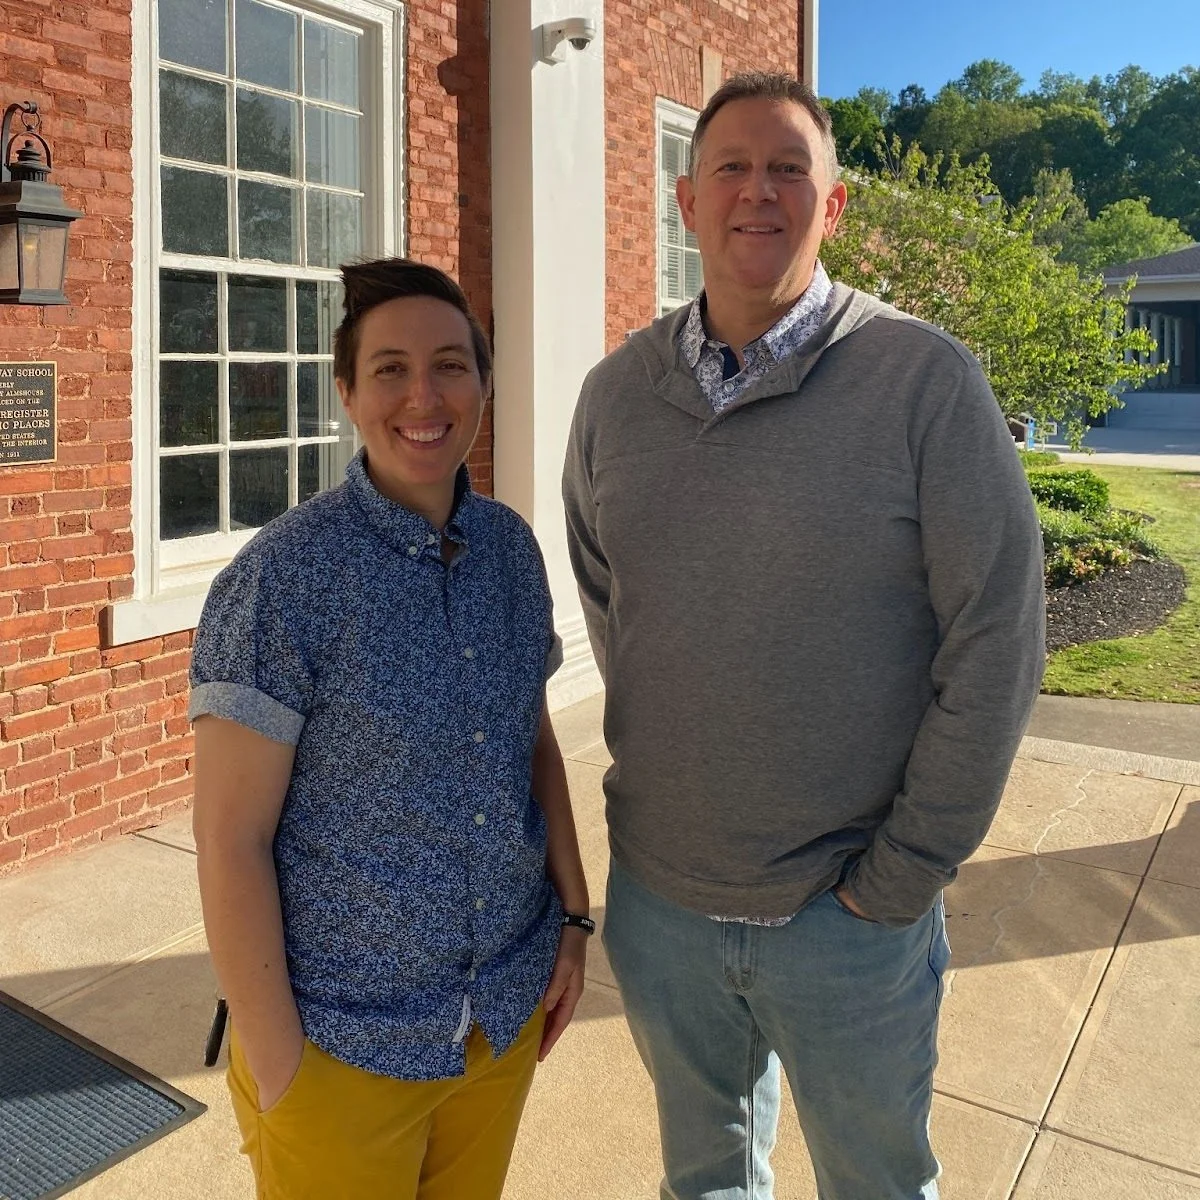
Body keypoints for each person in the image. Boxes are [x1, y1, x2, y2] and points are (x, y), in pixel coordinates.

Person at [563, 72, 1045, 1200]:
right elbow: (613, 609)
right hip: (663, 908)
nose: (757, 191)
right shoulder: (612, 398)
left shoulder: (926, 383)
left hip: (850, 920)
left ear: (834, 208)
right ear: (685, 201)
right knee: (708, 1182)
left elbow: (997, 641)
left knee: (878, 1185)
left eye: (790, 168)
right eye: (730, 165)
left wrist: (904, 875)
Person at [191, 258, 592, 1200]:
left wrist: (573, 920)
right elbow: (229, 837)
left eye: (452, 365)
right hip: (341, 1047)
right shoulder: (284, 580)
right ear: (346, 391)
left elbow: (530, 747)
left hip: (497, 1022)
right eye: (390, 369)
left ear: (483, 386)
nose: (424, 395)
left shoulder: (509, 552)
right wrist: (279, 1059)